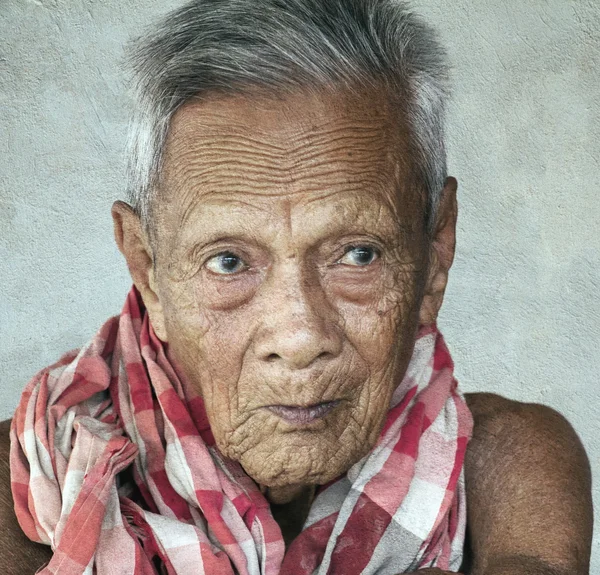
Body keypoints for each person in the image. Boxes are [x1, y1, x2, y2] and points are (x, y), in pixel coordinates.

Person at [0, 0, 593, 573]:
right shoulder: (28, 487)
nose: (301, 337)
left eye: (357, 254)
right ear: (147, 271)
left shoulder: (505, 466)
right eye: (228, 261)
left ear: (436, 252)